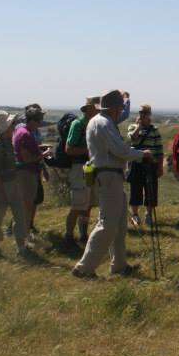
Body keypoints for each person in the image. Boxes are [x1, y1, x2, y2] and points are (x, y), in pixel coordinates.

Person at [72, 90, 153, 279]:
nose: (121, 112)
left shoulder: (100, 122)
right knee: (107, 224)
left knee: (118, 224)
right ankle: (84, 268)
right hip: (108, 176)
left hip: (108, 175)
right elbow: (118, 150)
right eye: (120, 108)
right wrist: (142, 154)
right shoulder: (104, 123)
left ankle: (119, 265)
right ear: (115, 108)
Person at [0, 110, 29, 258]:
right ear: (7, 127)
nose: (14, 127)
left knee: (20, 215)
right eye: (12, 124)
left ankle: (21, 246)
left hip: (12, 183)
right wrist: (1, 192)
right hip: (0, 186)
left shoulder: (7, 141)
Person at [63, 96, 99, 246]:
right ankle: (69, 236)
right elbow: (69, 149)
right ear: (90, 109)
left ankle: (83, 235)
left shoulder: (94, 124)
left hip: (90, 168)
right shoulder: (78, 124)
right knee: (78, 205)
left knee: (88, 203)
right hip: (79, 168)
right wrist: (90, 150)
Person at [12, 105, 48, 243]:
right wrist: (43, 154)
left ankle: (23, 238)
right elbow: (27, 159)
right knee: (26, 208)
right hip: (26, 174)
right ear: (33, 120)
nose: (40, 124)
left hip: (24, 173)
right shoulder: (26, 134)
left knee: (25, 207)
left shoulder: (21, 131)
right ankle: (22, 241)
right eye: (39, 121)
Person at [127, 104, 164, 228]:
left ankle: (148, 214)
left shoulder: (154, 130)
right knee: (135, 189)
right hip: (137, 163)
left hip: (151, 164)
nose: (143, 115)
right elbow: (132, 139)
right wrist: (138, 126)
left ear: (149, 114)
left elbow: (159, 150)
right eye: (141, 112)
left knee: (151, 190)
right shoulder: (133, 127)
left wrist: (160, 167)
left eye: (146, 113)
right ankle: (135, 215)